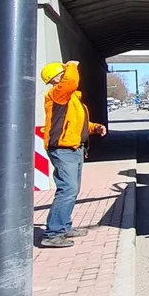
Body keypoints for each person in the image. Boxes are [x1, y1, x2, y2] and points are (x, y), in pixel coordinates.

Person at [39, 60, 106, 248]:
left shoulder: (73, 100)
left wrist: (94, 128)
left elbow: (77, 124)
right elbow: (70, 82)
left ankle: (64, 227)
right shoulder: (57, 94)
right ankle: (52, 233)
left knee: (71, 190)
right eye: (63, 74)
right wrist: (71, 65)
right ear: (56, 78)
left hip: (75, 148)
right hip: (62, 149)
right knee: (67, 189)